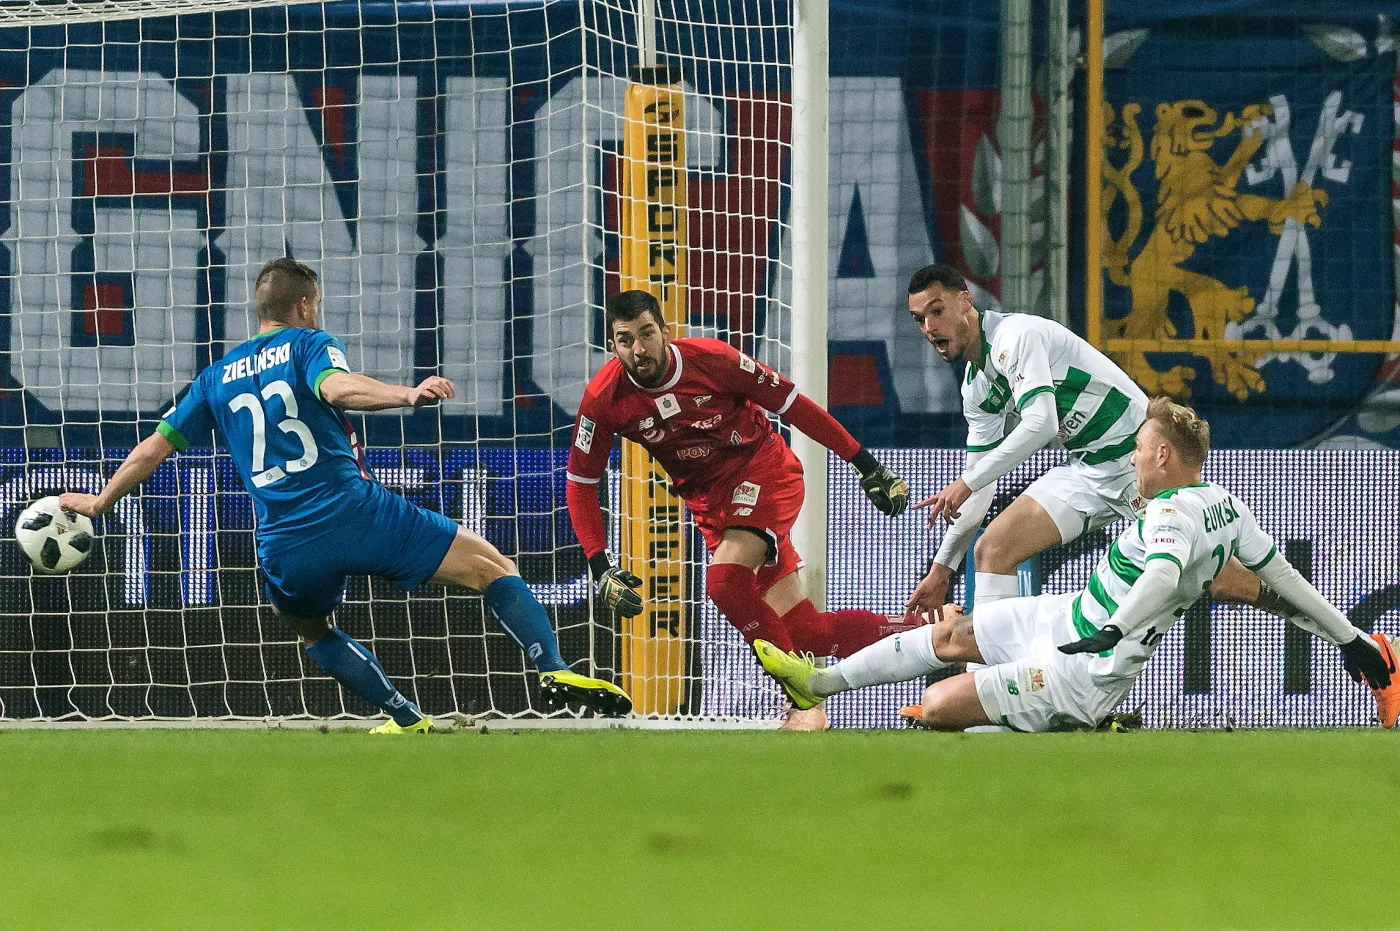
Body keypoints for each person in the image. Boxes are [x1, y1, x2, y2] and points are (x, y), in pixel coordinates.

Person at [60, 258, 630, 732]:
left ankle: (404, 717)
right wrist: (408, 395)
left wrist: (98, 503)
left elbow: (152, 450)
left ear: (260, 309)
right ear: (305, 306)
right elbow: (340, 388)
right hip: (354, 511)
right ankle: (551, 666)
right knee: (492, 566)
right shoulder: (309, 344)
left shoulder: (215, 377)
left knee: (312, 629)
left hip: (284, 542)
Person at [755, 397, 1400, 732]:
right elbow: (1282, 577)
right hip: (1064, 616)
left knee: (932, 707)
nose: (1132, 459)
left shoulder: (1171, 515)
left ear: (1165, 459)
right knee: (952, 635)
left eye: (1139, 450)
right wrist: (1350, 638)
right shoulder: (1226, 507)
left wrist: (1117, 628)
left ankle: (1074, 725)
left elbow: (1162, 577)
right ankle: (816, 684)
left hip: (1085, 667)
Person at [565, 289, 914, 727]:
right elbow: (580, 485)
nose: (639, 349)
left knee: (724, 581)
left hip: (766, 472)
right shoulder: (603, 399)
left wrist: (865, 464)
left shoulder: (714, 360)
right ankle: (929, 632)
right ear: (612, 347)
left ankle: (804, 700)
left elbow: (794, 405)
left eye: (647, 333)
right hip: (714, 509)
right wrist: (600, 567)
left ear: (666, 332)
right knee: (808, 633)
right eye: (625, 339)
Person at [904, 263, 1289, 626]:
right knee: (992, 549)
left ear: (966, 300)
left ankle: (1312, 614)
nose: (928, 327)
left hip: (1139, 465)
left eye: (936, 311)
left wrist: (969, 481)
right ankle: (986, 683)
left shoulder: (1015, 336)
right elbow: (980, 484)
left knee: (1224, 580)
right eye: (919, 320)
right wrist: (942, 569)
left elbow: (1041, 424)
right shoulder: (976, 388)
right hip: (1087, 471)